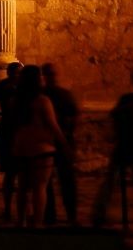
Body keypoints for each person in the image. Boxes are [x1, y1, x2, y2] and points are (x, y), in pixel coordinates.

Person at [91, 68, 133, 239]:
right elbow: (116, 114)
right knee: (111, 180)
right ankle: (99, 215)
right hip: (126, 145)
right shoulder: (129, 99)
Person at [11, 64, 69, 229]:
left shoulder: (16, 101)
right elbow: (52, 125)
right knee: (39, 187)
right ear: (37, 80)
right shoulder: (42, 101)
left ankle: (21, 221)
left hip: (21, 147)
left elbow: (13, 123)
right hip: (41, 148)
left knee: (22, 187)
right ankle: (37, 222)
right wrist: (64, 144)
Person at [42, 61, 79, 226]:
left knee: (64, 181)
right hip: (53, 141)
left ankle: (67, 214)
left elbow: (75, 115)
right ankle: (52, 214)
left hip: (56, 141)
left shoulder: (59, 95)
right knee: (50, 181)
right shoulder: (49, 95)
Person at [0, 60, 22, 222]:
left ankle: (14, 211)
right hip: (12, 132)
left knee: (13, 175)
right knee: (11, 174)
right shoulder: (9, 89)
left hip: (11, 131)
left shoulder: (6, 87)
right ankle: (9, 210)